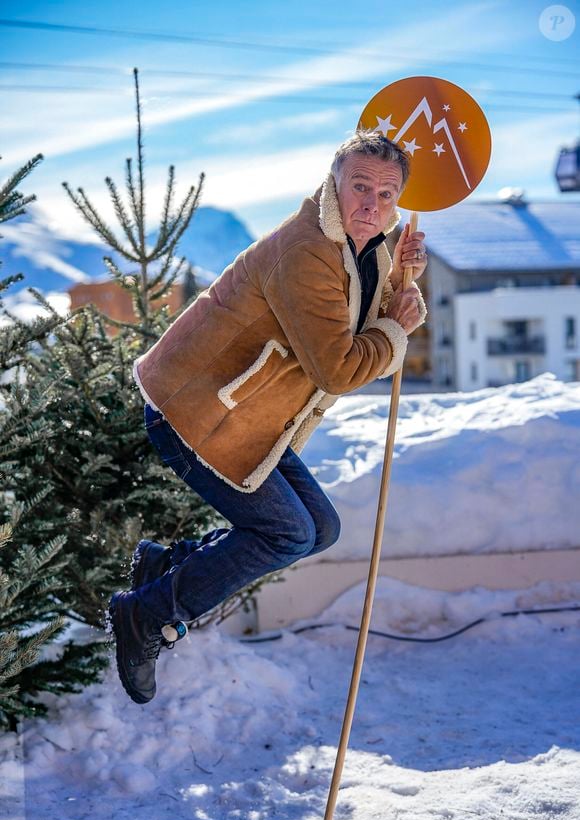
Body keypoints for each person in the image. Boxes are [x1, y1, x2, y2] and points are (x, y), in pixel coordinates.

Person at [108, 129, 428, 705]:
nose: (371, 205)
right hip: (196, 409)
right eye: (360, 187)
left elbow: (360, 317)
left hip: (245, 413)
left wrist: (399, 283)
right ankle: (146, 616)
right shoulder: (307, 251)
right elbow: (339, 367)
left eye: (386, 195)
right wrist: (396, 330)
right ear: (333, 182)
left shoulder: (360, 243)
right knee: (286, 533)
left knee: (319, 530)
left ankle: (168, 564)